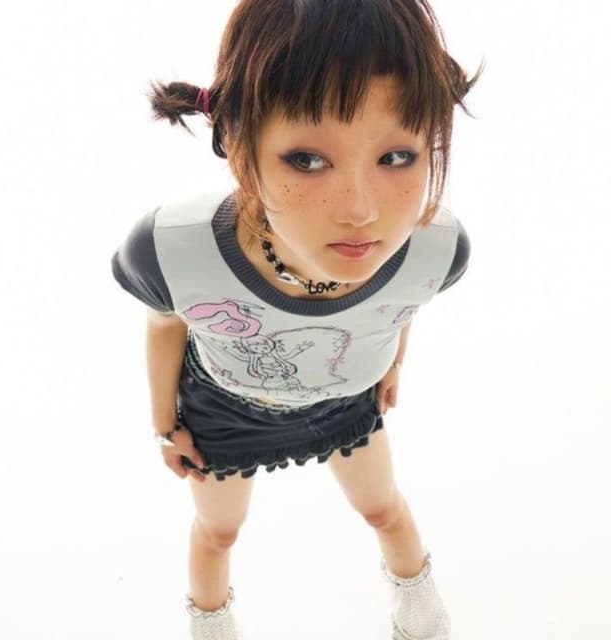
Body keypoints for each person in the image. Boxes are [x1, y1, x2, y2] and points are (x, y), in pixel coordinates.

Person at [111, 0, 483, 637]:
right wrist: (165, 426)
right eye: (307, 159)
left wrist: (393, 363)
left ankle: (422, 612)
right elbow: (166, 324)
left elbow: (404, 302)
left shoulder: (437, 250)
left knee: (383, 509)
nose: (361, 211)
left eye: (397, 156)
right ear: (238, 144)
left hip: (346, 401)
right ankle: (211, 626)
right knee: (219, 531)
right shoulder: (173, 251)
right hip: (225, 410)